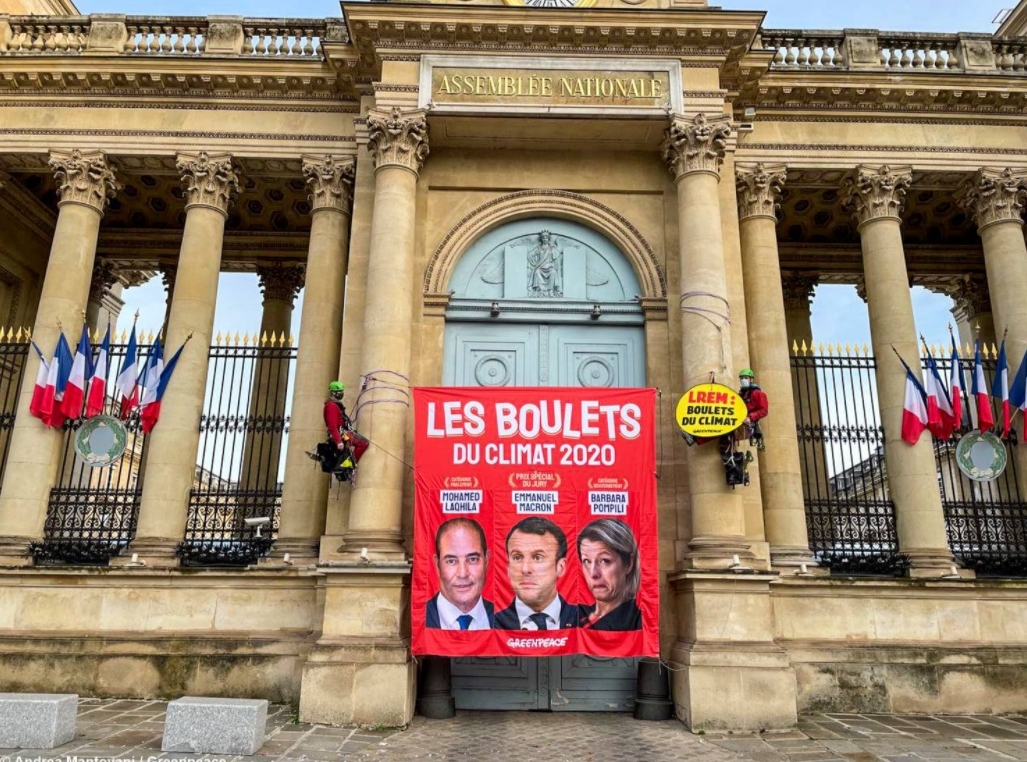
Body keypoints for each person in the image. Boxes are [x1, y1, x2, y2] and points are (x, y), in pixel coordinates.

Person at [494, 517, 578, 630]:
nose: (525, 569)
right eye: (517, 557)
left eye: (538, 558)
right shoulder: (493, 624)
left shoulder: (583, 620)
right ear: (508, 567)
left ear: (560, 567)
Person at [426, 518, 495, 630]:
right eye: (451, 561)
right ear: (437, 564)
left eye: (472, 559)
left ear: (486, 561)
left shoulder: (507, 619)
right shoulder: (418, 618)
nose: (463, 573)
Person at [576, 519, 642, 632]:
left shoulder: (639, 620)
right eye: (586, 561)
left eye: (604, 561)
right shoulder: (575, 617)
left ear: (628, 564)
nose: (593, 573)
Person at [322, 381, 368, 482]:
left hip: (343, 433)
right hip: (341, 435)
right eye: (339, 391)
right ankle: (348, 465)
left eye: (342, 391)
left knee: (358, 445)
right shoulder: (331, 406)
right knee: (363, 443)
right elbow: (332, 425)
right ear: (333, 393)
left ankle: (348, 464)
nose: (341, 393)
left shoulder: (335, 405)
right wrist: (338, 441)